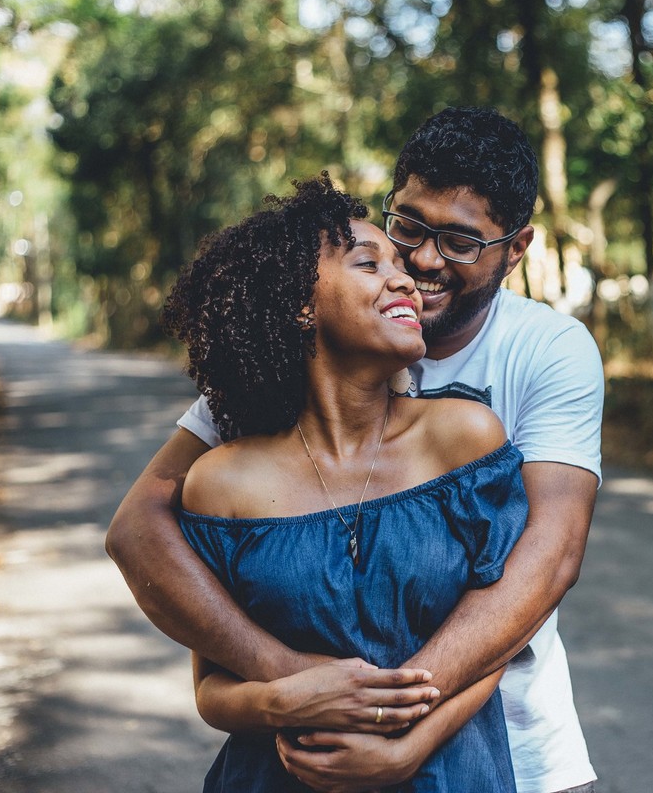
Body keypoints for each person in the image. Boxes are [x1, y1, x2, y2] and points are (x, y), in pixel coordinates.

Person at [107, 106, 604, 793]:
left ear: (513, 251)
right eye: (407, 230)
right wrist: (296, 686)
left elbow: (544, 565)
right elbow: (139, 530)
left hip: (507, 745)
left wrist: (400, 730)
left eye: (461, 242)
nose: (421, 263)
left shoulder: (541, 357)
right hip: (296, 760)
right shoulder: (263, 400)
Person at [162, 174, 525, 791]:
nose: (406, 277)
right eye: (368, 263)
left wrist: (406, 739)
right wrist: (288, 701)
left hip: (447, 774)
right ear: (301, 304)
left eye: (398, 264)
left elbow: (499, 640)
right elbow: (212, 690)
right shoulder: (221, 482)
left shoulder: (465, 440)